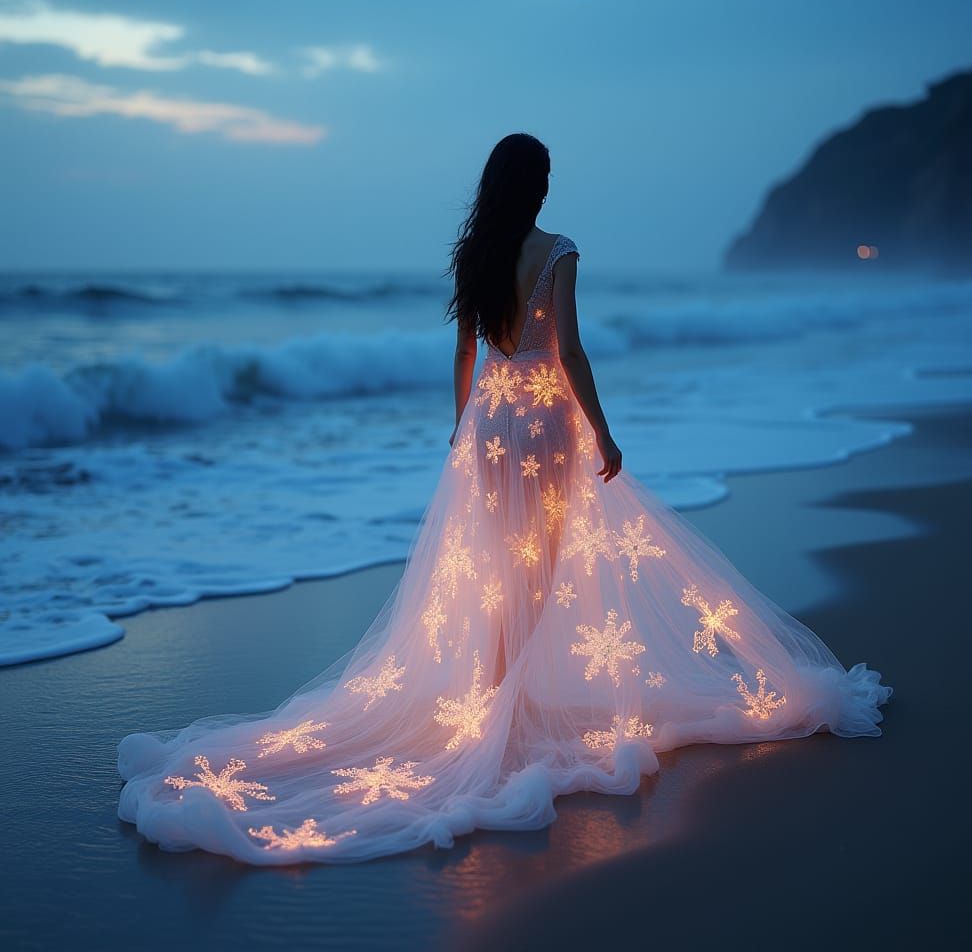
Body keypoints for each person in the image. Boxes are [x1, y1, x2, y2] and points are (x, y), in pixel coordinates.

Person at [117, 133, 891, 864]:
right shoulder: (558, 252)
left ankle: (494, 697)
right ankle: (498, 708)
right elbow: (570, 350)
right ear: (539, 185)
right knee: (536, 569)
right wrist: (606, 432)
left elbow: (463, 351)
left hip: (490, 423)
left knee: (502, 561)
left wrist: (462, 425)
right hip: (547, 423)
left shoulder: (476, 255)